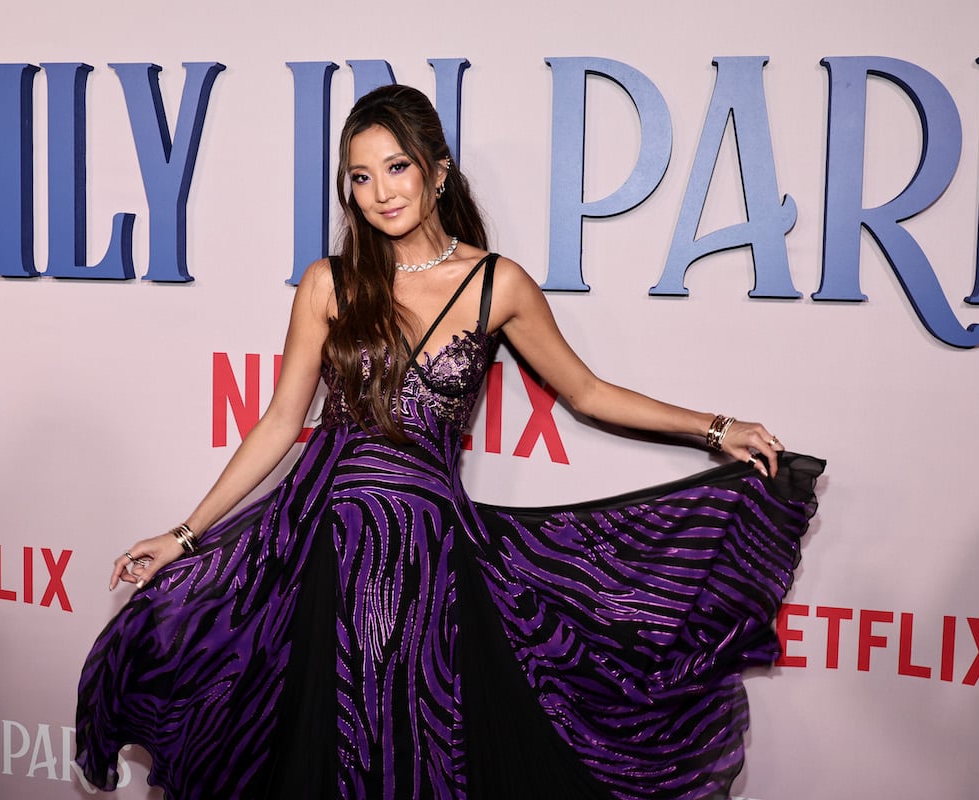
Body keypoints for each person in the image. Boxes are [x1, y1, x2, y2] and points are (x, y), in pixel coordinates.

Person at [76, 84, 824, 800]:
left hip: (428, 557)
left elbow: (588, 392)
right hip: (322, 548)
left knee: (418, 737)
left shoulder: (499, 284)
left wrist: (717, 426)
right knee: (314, 741)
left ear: (437, 173)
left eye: (397, 168)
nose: (381, 191)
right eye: (361, 177)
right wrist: (185, 532)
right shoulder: (327, 284)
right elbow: (280, 423)